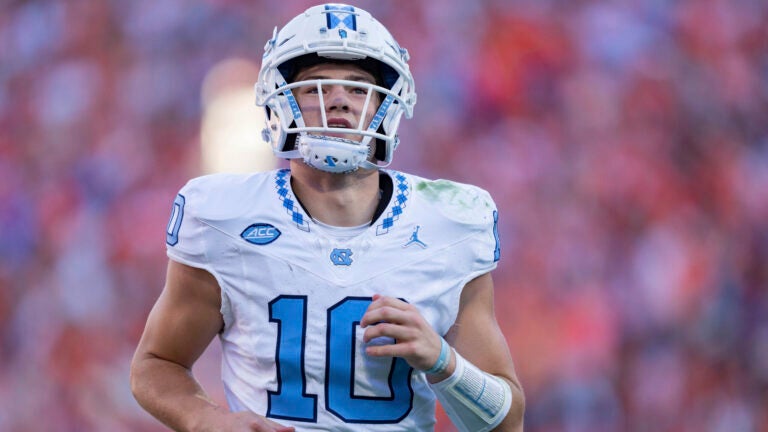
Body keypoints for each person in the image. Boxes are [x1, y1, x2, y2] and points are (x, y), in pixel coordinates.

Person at [130, 4, 525, 431]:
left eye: (358, 88)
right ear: (281, 102)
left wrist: (444, 363)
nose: (338, 99)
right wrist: (203, 419)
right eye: (317, 85)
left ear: (385, 105)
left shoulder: (449, 225)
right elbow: (157, 362)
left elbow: (505, 423)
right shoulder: (222, 221)